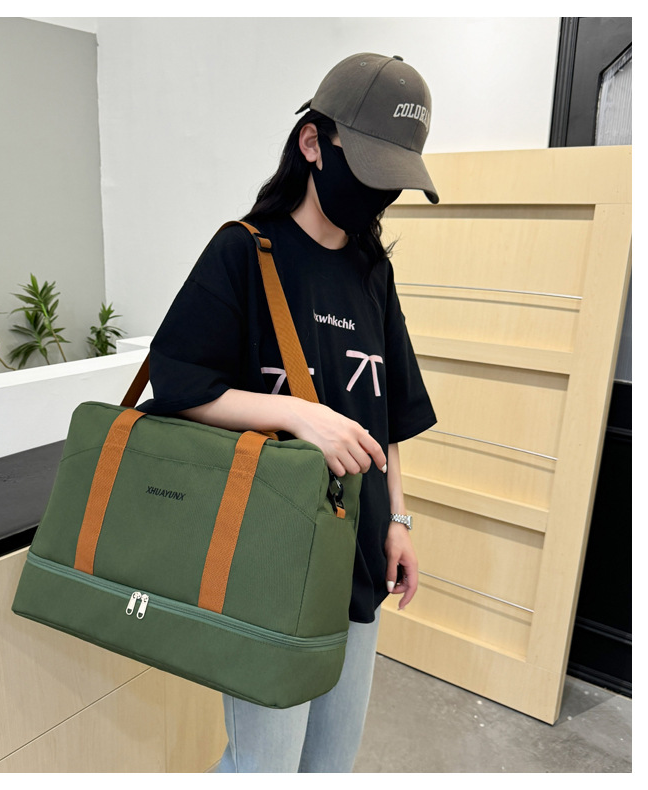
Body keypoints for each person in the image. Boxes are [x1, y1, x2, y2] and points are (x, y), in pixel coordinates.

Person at [139, 53, 438, 772]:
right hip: (266, 563)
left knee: (329, 769)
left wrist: (398, 520)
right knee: (263, 769)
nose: (380, 194)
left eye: (394, 179)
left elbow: (389, 414)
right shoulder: (244, 253)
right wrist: (301, 416)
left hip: (356, 556)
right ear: (313, 143)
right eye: (369, 170)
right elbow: (180, 388)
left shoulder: (374, 273)